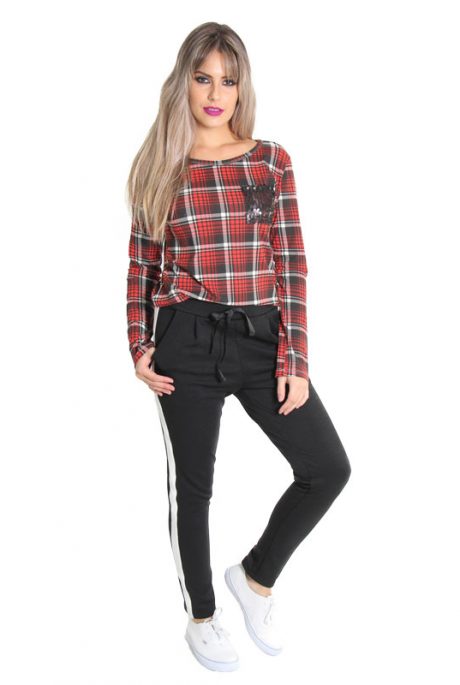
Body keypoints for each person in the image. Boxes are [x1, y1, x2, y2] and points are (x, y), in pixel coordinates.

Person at [125, 21, 351, 672]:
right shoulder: (161, 168)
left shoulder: (270, 161)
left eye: (228, 81)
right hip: (186, 339)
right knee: (193, 490)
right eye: (203, 78)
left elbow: (292, 264)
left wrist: (295, 359)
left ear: (241, 88)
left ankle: (254, 579)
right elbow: (141, 268)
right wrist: (139, 345)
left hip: (261, 339)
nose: (215, 94)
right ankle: (201, 616)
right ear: (184, 83)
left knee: (327, 468)